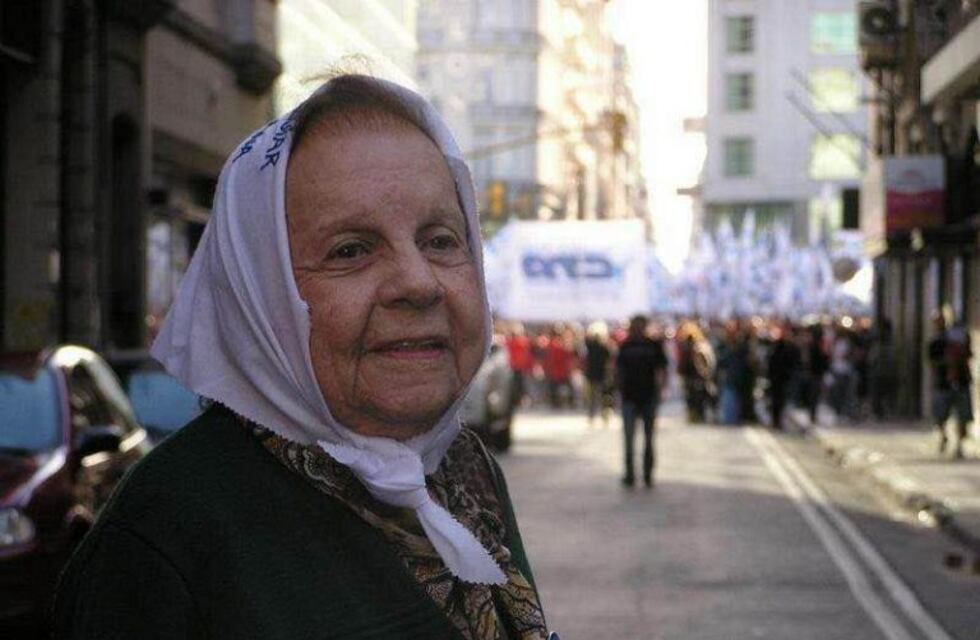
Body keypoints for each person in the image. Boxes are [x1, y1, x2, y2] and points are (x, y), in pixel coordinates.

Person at [54, 75, 551, 639]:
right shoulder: (166, 537)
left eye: (440, 240)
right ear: (262, 296)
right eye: (351, 250)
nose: (419, 282)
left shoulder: (463, 467)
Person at [616, 315, 668, 487]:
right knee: (629, 439)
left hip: (648, 396)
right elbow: (618, 370)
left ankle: (647, 473)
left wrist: (660, 391)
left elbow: (661, 370)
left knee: (648, 437)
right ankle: (630, 473)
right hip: (630, 397)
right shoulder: (625, 346)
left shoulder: (653, 345)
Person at [928, 312, 974, 458]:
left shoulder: (960, 338)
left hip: (961, 381)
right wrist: (946, 362)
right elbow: (932, 360)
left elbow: (969, 354)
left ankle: (960, 445)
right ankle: (943, 437)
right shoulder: (935, 341)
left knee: (963, 416)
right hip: (943, 383)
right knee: (940, 416)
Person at [766, 322, 800, 430]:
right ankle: (776, 421)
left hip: (786, 378)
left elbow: (796, 362)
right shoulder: (776, 346)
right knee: (776, 401)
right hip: (776, 378)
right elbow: (771, 361)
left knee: (784, 401)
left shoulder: (792, 348)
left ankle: (781, 421)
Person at [583, 322, 613, 426]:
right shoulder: (600, 348)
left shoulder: (596, 347)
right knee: (601, 397)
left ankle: (598, 416)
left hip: (595, 375)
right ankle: (600, 416)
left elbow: (609, 363)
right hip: (598, 375)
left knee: (598, 398)